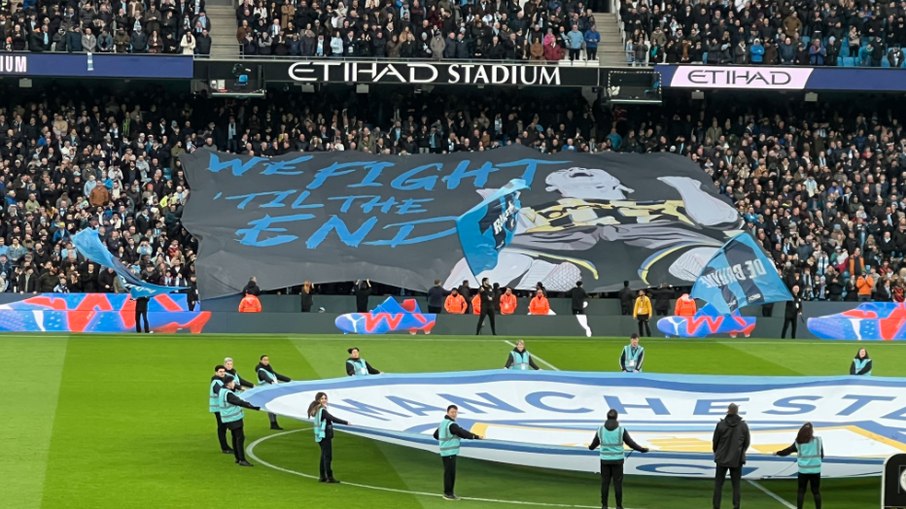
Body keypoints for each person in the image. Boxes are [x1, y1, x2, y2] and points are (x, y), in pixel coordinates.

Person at [588, 408, 649, 509]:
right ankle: (619, 506)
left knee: (605, 483)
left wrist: (590, 447)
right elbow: (631, 443)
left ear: (607, 417)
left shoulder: (600, 430)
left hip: (605, 460)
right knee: (617, 484)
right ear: (616, 418)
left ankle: (604, 505)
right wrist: (642, 449)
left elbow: (594, 444)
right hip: (618, 461)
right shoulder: (621, 430)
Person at [432, 405, 483, 500]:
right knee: (450, 473)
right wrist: (476, 436)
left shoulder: (443, 423)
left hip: (445, 451)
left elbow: (435, 435)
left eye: (455, 412)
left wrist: (444, 442)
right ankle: (448, 493)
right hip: (450, 452)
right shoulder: (451, 424)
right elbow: (462, 433)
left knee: (448, 472)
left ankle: (448, 493)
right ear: (447, 412)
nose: (454, 414)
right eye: (452, 412)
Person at [774, 423, 823, 509]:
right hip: (816, 470)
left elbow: (787, 451)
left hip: (803, 470)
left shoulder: (798, 442)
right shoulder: (818, 440)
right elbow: (822, 454)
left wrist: (778, 453)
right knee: (816, 492)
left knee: (801, 491)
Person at [712, 403, 751, 509]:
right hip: (737, 459)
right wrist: (740, 452)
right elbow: (747, 442)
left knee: (718, 485)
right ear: (737, 411)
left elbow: (715, 441)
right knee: (736, 485)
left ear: (728, 411)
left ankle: (716, 506)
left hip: (722, 458)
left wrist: (718, 452)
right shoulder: (743, 425)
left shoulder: (721, 425)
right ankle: (736, 506)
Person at [219, 376, 262, 466]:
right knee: (239, 438)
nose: (234, 384)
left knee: (235, 437)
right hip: (234, 418)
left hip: (228, 418)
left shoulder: (222, 391)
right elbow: (238, 402)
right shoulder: (228, 394)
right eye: (233, 382)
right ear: (229, 384)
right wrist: (253, 406)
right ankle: (242, 459)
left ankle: (238, 458)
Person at [307, 392, 349, 483]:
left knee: (323, 456)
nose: (324, 400)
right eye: (322, 398)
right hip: (324, 435)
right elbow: (332, 418)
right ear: (318, 400)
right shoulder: (322, 410)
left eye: (325, 398)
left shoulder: (318, 410)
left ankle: (322, 476)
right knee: (327, 457)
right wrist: (346, 422)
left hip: (320, 435)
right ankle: (329, 477)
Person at [256, 355, 291, 430]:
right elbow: (265, 377)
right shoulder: (261, 370)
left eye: (267, 360)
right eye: (264, 360)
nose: (266, 361)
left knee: (273, 406)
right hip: (267, 391)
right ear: (261, 361)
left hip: (272, 390)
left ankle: (274, 423)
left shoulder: (268, 369)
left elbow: (277, 376)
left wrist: (289, 380)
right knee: (271, 406)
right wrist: (272, 382)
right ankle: (273, 423)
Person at [208, 364, 232, 453]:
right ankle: (224, 447)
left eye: (223, 371)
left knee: (223, 427)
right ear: (216, 372)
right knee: (222, 428)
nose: (222, 373)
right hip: (218, 409)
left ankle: (225, 447)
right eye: (220, 372)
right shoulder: (216, 382)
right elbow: (220, 392)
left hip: (221, 408)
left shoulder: (221, 380)